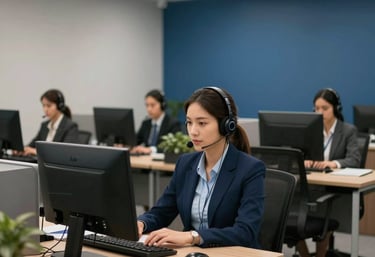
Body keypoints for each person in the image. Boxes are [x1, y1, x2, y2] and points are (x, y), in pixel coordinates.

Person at [137, 87, 265, 248]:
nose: (193, 131)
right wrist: (141, 223)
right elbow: (162, 211)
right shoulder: (185, 164)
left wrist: (193, 236)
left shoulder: (250, 169)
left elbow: (245, 232)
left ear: (227, 125)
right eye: (189, 122)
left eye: (202, 123)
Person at [299, 88, 361, 257]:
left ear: (336, 108)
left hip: (337, 191)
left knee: (323, 208)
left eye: (324, 108)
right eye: (316, 108)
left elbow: (354, 160)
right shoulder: (310, 130)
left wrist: (332, 163)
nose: (319, 112)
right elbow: (300, 153)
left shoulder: (348, 131)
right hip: (314, 186)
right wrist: (303, 160)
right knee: (290, 213)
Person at [22, 89, 79, 156]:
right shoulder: (44, 125)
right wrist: (21, 150)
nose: (45, 109)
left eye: (49, 106)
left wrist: (36, 152)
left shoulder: (70, 127)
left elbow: (66, 153)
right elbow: (32, 145)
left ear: (59, 106)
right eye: (43, 105)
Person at [131, 89, 181, 155]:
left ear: (162, 105)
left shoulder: (173, 123)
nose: (149, 109)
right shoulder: (146, 123)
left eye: (152, 105)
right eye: (147, 105)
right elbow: (136, 140)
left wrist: (151, 150)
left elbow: (173, 147)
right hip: (146, 159)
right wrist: (128, 146)